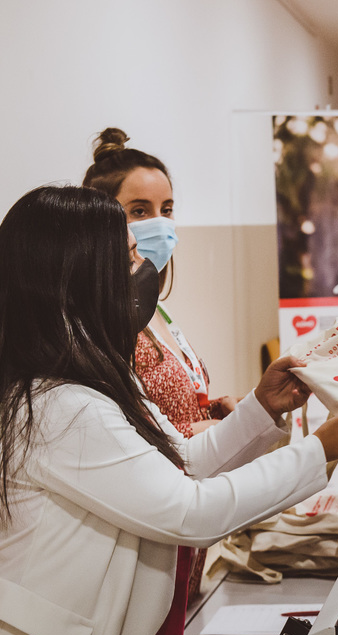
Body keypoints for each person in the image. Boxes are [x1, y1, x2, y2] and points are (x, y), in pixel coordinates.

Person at [0, 186, 338, 635]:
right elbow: (191, 512)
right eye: (129, 257)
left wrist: (261, 408)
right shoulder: (56, 406)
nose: (142, 271)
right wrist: (319, 450)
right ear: (80, 278)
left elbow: (184, 461)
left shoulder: (94, 378)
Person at [83, 128, 233, 439]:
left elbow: (173, 410)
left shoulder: (154, 306)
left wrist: (222, 411)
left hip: (195, 477)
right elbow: (114, 440)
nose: (161, 223)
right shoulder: (95, 320)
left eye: (166, 209)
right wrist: (203, 434)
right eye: (139, 211)